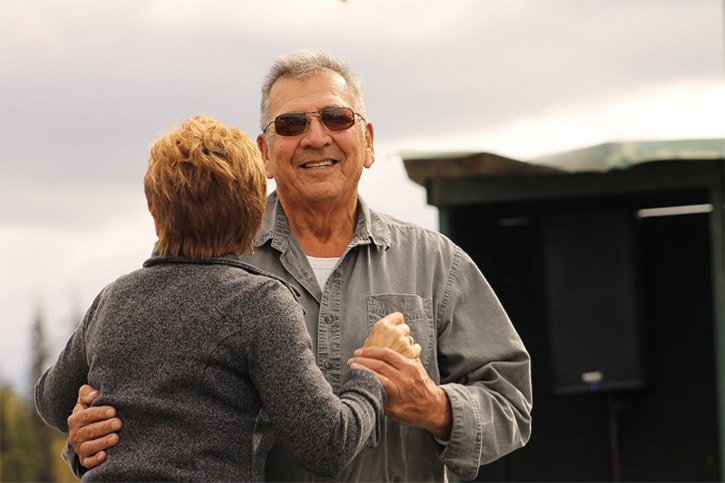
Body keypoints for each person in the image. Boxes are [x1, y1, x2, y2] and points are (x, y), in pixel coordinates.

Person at [65, 50, 533, 481]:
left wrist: (435, 407)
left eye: (335, 117)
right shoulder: (205, 262)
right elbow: (135, 402)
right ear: (264, 153)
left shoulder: (435, 264)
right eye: (290, 124)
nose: (315, 137)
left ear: (367, 142)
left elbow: (512, 405)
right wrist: (85, 442)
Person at [35, 114, 421, 481]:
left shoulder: (114, 299)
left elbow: (51, 401)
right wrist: (371, 376)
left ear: (155, 212)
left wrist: (85, 421)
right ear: (256, 216)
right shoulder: (259, 304)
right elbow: (326, 446)